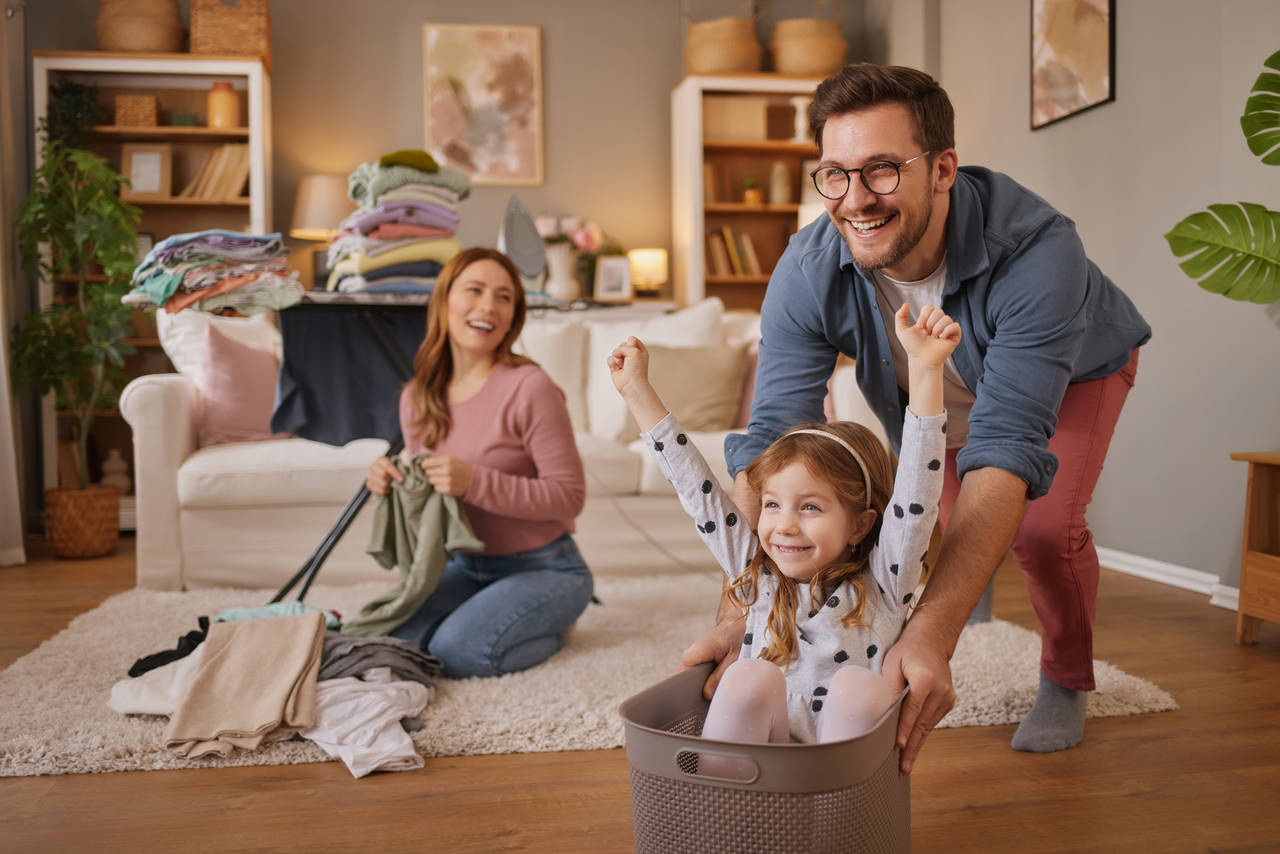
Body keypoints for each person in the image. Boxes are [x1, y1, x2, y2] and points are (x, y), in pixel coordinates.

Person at [686, 63, 1151, 770]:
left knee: (1044, 530)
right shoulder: (809, 268)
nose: (854, 199)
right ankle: (975, 580)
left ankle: (1066, 673)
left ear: (942, 169)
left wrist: (932, 633)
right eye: (835, 174)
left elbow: (1005, 445)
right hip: (937, 390)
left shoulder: (1039, 252)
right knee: (934, 519)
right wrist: (738, 612)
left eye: (880, 170)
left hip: (1069, 375)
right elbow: (777, 442)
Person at [607, 300, 957, 752]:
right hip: (765, 770)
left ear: (860, 525)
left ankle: (838, 818)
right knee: (748, 676)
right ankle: (723, 808)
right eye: (772, 504)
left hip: (841, 776)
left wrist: (927, 372)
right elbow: (697, 490)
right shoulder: (757, 575)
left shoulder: (885, 584)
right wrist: (636, 391)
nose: (784, 526)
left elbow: (917, 495)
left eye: (810, 508)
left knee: (860, 687)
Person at [365, 247, 591, 678]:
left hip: (547, 566)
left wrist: (474, 482)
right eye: (475, 290)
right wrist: (391, 482)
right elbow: (428, 502)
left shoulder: (531, 387)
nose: (489, 305)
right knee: (393, 637)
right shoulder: (417, 395)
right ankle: (500, 615)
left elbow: (569, 497)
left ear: (513, 316)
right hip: (463, 563)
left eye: (505, 297)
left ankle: (557, 627)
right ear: (445, 300)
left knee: (457, 652)